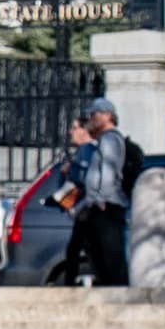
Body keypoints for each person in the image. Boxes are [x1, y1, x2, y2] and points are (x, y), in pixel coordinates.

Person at [63, 100, 133, 286]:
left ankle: (118, 296)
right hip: (95, 205)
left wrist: (99, 199)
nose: (91, 119)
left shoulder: (111, 139)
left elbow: (109, 170)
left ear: (108, 115)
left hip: (106, 205)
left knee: (110, 257)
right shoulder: (102, 140)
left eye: (95, 115)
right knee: (96, 254)